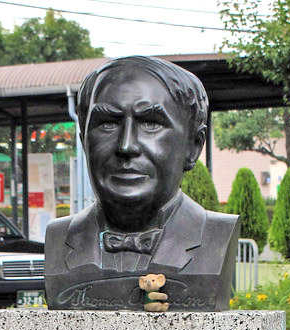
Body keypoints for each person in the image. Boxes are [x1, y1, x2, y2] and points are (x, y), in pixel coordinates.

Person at [44, 56, 240, 311]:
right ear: (84, 141)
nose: (126, 146)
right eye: (108, 123)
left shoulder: (216, 237)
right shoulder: (59, 238)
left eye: (151, 123)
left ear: (194, 146)